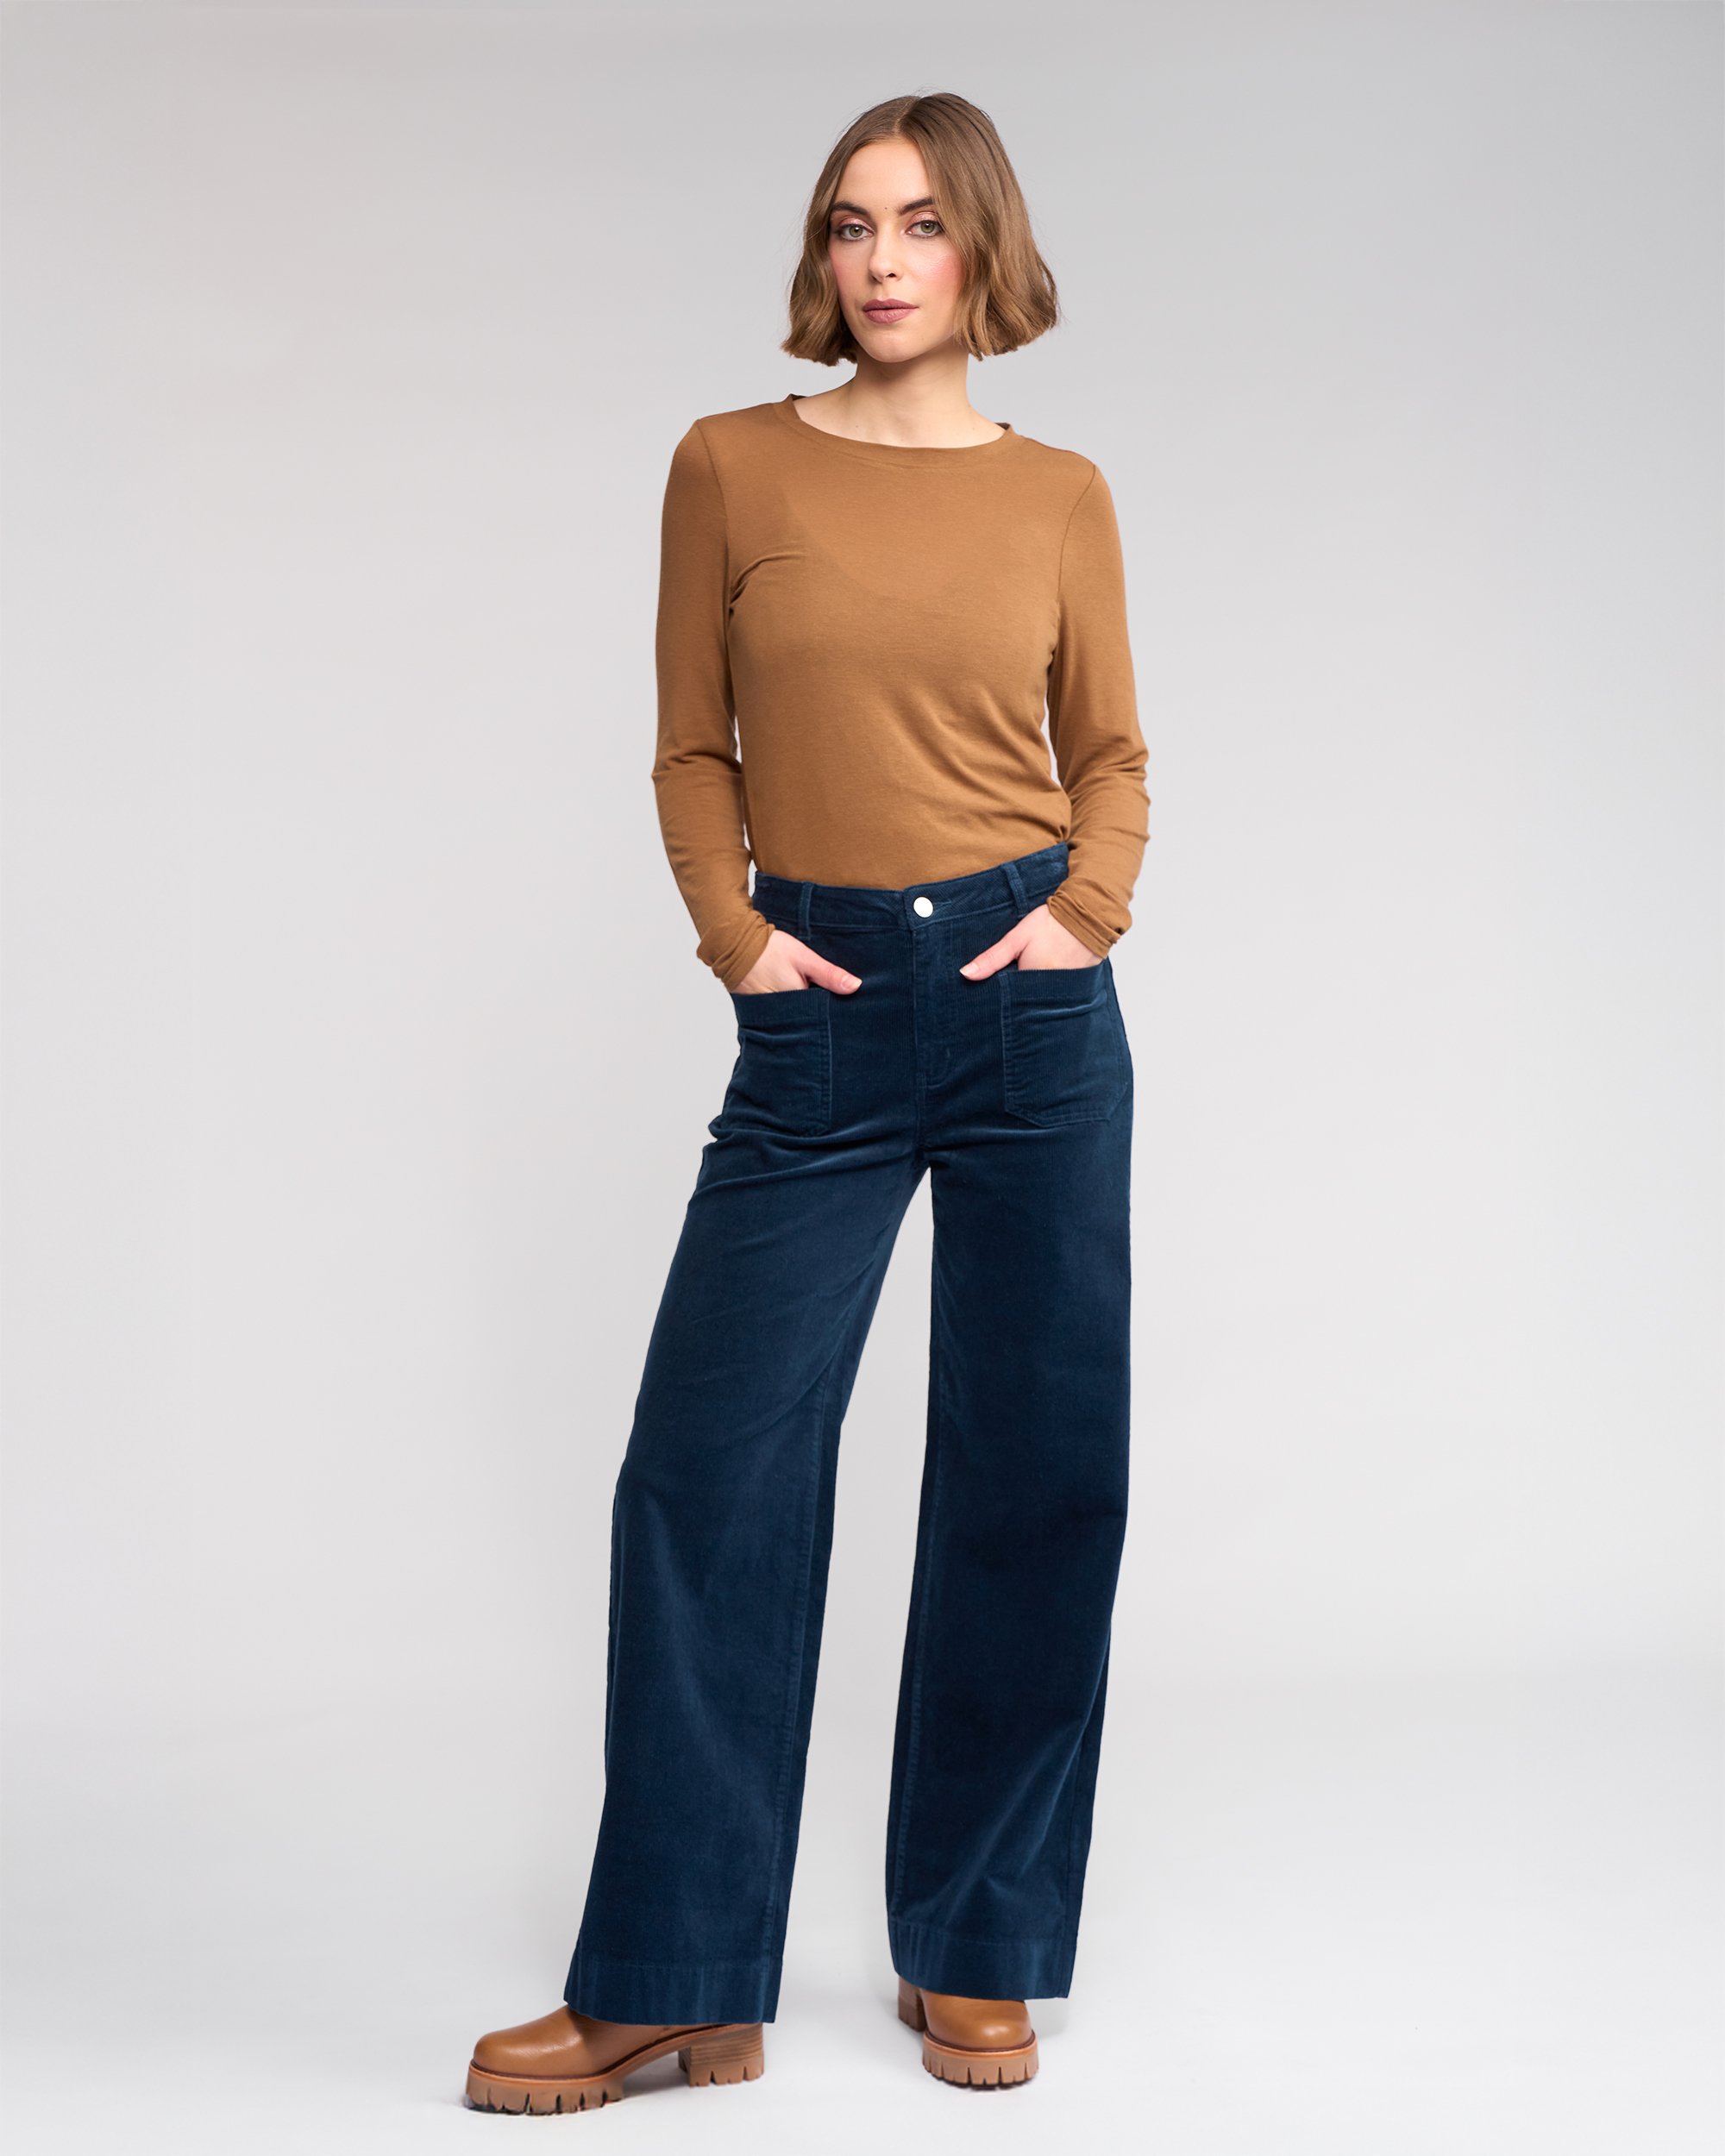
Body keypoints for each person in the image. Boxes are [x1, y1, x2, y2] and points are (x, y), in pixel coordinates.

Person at [465, 88, 1150, 2113]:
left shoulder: (1060, 493)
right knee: (706, 1471)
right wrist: (737, 936)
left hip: (1029, 1004)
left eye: (919, 223)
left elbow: (1110, 751)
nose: (879, 259)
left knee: (1035, 1470)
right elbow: (694, 745)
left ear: (980, 248)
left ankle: (978, 1944)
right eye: (851, 223)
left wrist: (1086, 914)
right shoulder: (730, 463)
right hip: (822, 1010)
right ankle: (675, 1978)